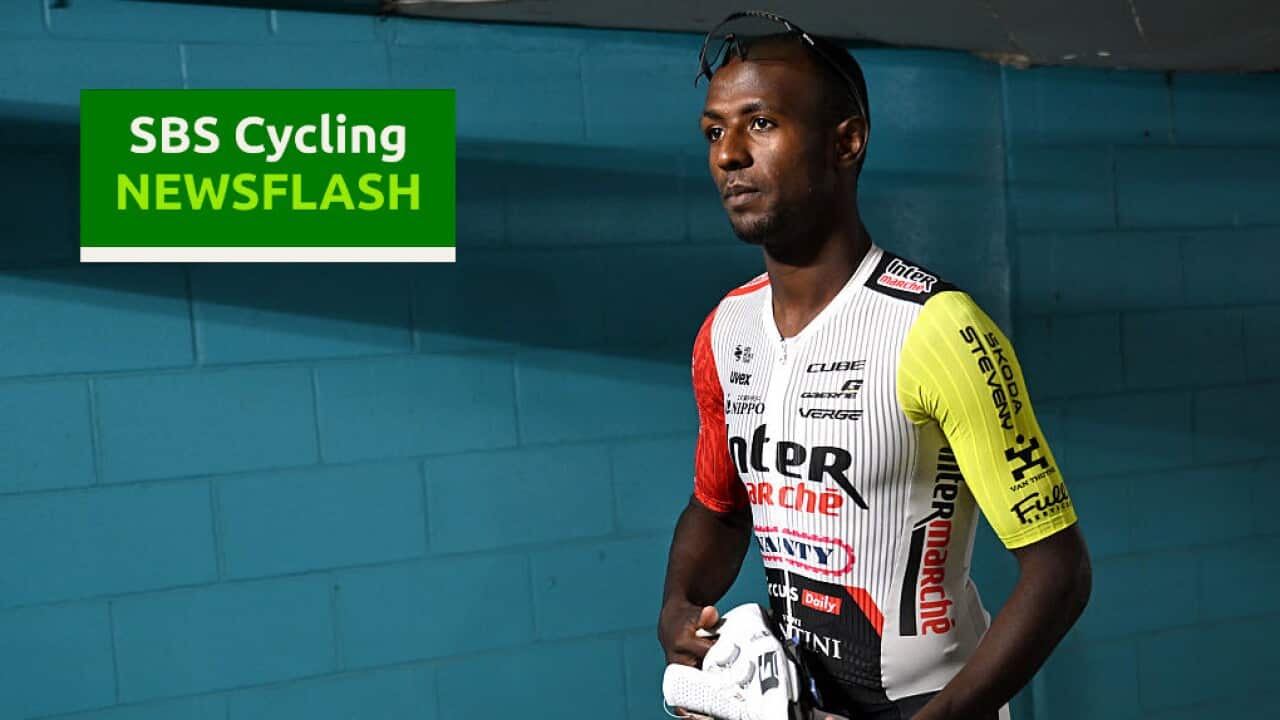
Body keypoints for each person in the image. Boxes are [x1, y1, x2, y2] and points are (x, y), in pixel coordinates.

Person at [657, 11, 1092, 720]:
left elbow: (1060, 572)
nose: (729, 153)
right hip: (796, 701)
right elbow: (719, 508)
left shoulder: (938, 327)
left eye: (760, 123)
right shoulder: (724, 330)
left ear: (847, 141)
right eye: (714, 131)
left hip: (933, 703)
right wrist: (678, 605)